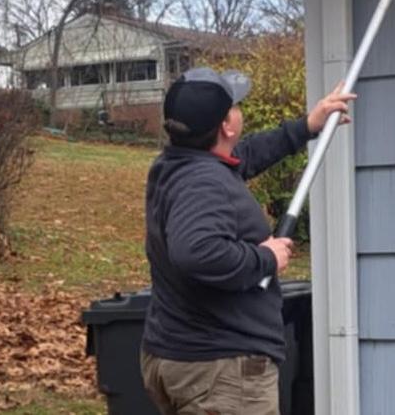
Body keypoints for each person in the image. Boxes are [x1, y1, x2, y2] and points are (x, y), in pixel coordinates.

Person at [140, 67, 355, 415]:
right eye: (236, 107)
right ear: (226, 126)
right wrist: (265, 258)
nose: (241, 113)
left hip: (184, 355)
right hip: (220, 370)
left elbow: (246, 156)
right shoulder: (204, 181)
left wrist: (306, 127)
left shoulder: (179, 164)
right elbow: (196, 251)